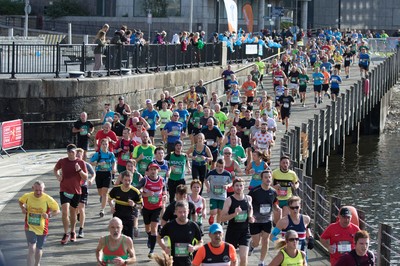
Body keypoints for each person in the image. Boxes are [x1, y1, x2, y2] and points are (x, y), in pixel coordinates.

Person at [18, 181, 60, 266]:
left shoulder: (48, 199)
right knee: (31, 248)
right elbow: (20, 201)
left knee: (38, 249)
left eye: (40, 190)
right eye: (36, 190)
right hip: (29, 226)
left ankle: (37, 264)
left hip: (42, 228)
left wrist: (49, 215)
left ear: (44, 189)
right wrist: (22, 208)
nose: (38, 192)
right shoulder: (27, 196)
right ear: (33, 188)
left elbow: (57, 210)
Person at [54, 144, 88, 244]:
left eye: (72, 152)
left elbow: (85, 177)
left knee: (73, 213)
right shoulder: (62, 161)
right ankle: (66, 233)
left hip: (76, 191)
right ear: (67, 152)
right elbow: (55, 169)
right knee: (65, 212)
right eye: (69, 152)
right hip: (64, 189)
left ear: (75, 152)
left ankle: (73, 231)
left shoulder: (80, 162)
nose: (71, 154)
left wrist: (79, 170)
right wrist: (58, 176)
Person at [248, 171, 280, 266]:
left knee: (265, 240)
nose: (268, 179)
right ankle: (252, 245)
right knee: (256, 242)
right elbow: (248, 202)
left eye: (269, 177)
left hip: (267, 220)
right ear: (262, 179)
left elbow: (274, 203)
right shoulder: (254, 191)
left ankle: (261, 261)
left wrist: (276, 208)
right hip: (255, 220)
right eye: (266, 177)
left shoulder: (273, 192)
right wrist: (250, 215)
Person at [220, 178, 254, 266]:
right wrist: (235, 214)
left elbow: (251, 209)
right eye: (237, 186)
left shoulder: (248, 198)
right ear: (233, 187)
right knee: (232, 259)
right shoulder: (229, 200)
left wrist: (250, 216)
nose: (239, 187)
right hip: (232, 232)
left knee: (244, 258)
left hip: (245, 231)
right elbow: (222, 218)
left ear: (244, 187)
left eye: (241, 185)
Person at [157, 201, 203, 266]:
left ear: (188, 211)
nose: (183, 214)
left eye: (184, 212)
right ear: (175, 212)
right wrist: (164, 247)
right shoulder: (169, 226)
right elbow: (159, 237)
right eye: (180, 212)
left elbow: (201, 242)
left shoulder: (193, 226)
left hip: (188, 261)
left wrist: (194, 248)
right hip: (172, 262)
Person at [136, 163, 166, 258]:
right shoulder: (145, 180)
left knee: (154, 229)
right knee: (147, 228)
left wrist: (165, 195)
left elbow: (164, 189)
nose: (153, 171)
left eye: (155, 169)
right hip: (146, 208)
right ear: (148, 171)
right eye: (151, 169)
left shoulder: (161, 180)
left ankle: (151, 251)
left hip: (157, 208)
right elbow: (137, 189)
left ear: (158, 170)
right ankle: (149, 236)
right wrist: (145, 194)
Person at [108, 170, 143, 239]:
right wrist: (112, 206)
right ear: (121, 180)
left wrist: (134, 205)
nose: (127, 182)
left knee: (129, 239)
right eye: (125, 180)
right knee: (116, 238)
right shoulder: (116, 189)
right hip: (117, 218)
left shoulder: (135, 192)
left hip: (129, 218)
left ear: (132, 180)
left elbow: (141, 206)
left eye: (129, 180)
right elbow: (109, 199)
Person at [90, 138, 117, 218]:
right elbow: (91, 162)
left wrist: (114, 168)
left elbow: (114, 161)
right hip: (99, 173)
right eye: (103, 144)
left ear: (108, 145)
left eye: (106, 144)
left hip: (107, 173)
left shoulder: (110, 154)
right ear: (100, 145)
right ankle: (102, 197)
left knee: (105, 192)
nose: (105, 146)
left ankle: (102, 209)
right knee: (100, 192)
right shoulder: (97, 154)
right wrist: (98, 163)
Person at [75, 148, 96, 238]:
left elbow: (93, 173)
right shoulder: (72, 164)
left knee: (82, 207)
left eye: (81, 154)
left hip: (83, 187)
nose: (79, 156)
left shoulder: (86, 165)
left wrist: (91, 180)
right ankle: (77, 218)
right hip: (74, 188)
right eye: (77, 154)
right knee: (75, 208)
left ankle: (81, 229)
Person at [205, 159, 232, 225]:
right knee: (214, 211)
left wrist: (227, 186)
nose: (220, 168)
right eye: (219, 166)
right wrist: (208, 187)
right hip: (213, 195)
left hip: (222, 196)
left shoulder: (227, 174)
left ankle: (218, 225)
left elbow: (231, 182)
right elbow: (206, 180)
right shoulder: (211, 173)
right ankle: (212, 216)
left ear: (224, 166)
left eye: (222, 167)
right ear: (216, 166)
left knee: (220, 211)